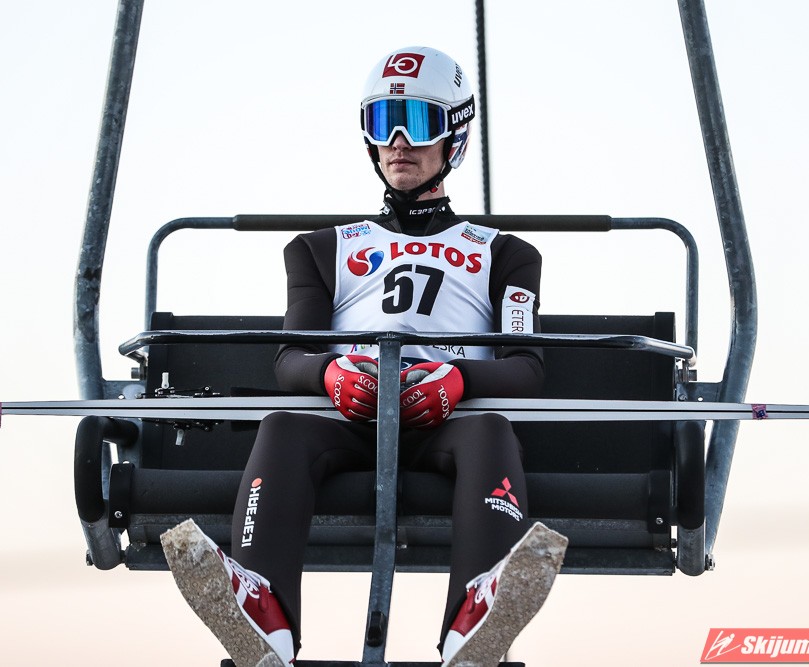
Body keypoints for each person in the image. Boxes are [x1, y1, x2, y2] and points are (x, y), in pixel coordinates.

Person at [160, 46, 568, 667]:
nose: (399, 142)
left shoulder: (505, 253)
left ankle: (475, 616)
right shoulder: (321, 248)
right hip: (353, 415)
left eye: (418, 123)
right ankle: (264, 610)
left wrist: (457, 379)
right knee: (283, 427)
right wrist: (330, 374)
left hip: (451, 421)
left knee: (491, 430)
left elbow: (527, 367)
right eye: (383, 123)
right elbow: (290, 359)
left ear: (454, 136)